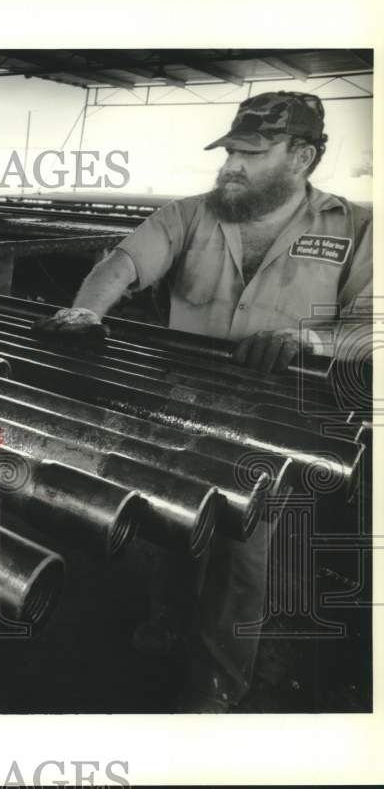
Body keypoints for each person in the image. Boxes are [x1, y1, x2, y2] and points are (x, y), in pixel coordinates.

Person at [33, 91, 372, 711]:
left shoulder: (354, 228)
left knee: (243, 550)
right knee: (173, 519)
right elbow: (124, 262)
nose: (232, 165)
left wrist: (308, 340)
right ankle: (168, 618)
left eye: (252, 152)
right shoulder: (190, 215)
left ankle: (218, 679)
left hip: (273, 421)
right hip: (182, 405)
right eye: (230, 151)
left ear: (302, 156)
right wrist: (86, 310)